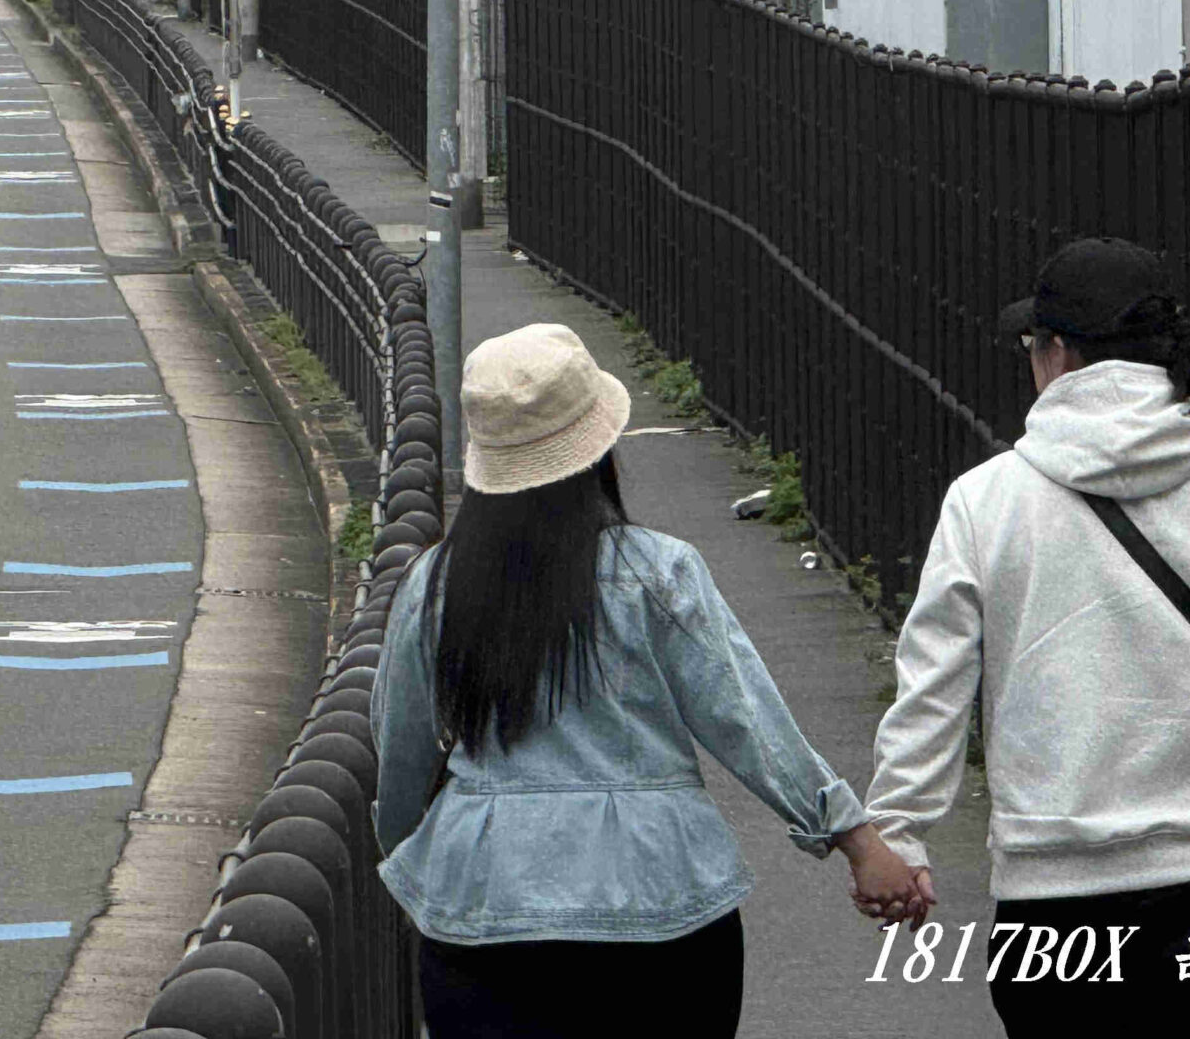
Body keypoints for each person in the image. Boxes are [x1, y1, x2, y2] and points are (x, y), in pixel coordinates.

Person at [862, 238, 1190, 1037]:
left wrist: (898, 830)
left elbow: (934, 694)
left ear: (1055, 353)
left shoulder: (985, 503)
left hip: (1048, 897)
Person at [372, 323, 924, 1038]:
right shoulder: (656, 573)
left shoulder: (437, 583)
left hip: (483, 905)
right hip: (661, 900)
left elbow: (402, 749)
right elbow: (745, 719)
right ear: (598, 448)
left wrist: (415, 857)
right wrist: (854, 838)